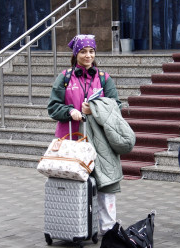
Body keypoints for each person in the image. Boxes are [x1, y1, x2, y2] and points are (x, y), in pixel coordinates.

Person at [47, 34, 126, 235]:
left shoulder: (103, 78)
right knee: (73, 184)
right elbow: (53, 107)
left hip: (99, 141)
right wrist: (69, 111)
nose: (88, 55)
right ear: (76, 54)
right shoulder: (65, 78)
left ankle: (108, 230)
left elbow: (116, 106)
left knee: (105, 183)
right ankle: (75, 227)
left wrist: (94, 110)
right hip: (70, 140)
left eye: (91, 51)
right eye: (83, 51)